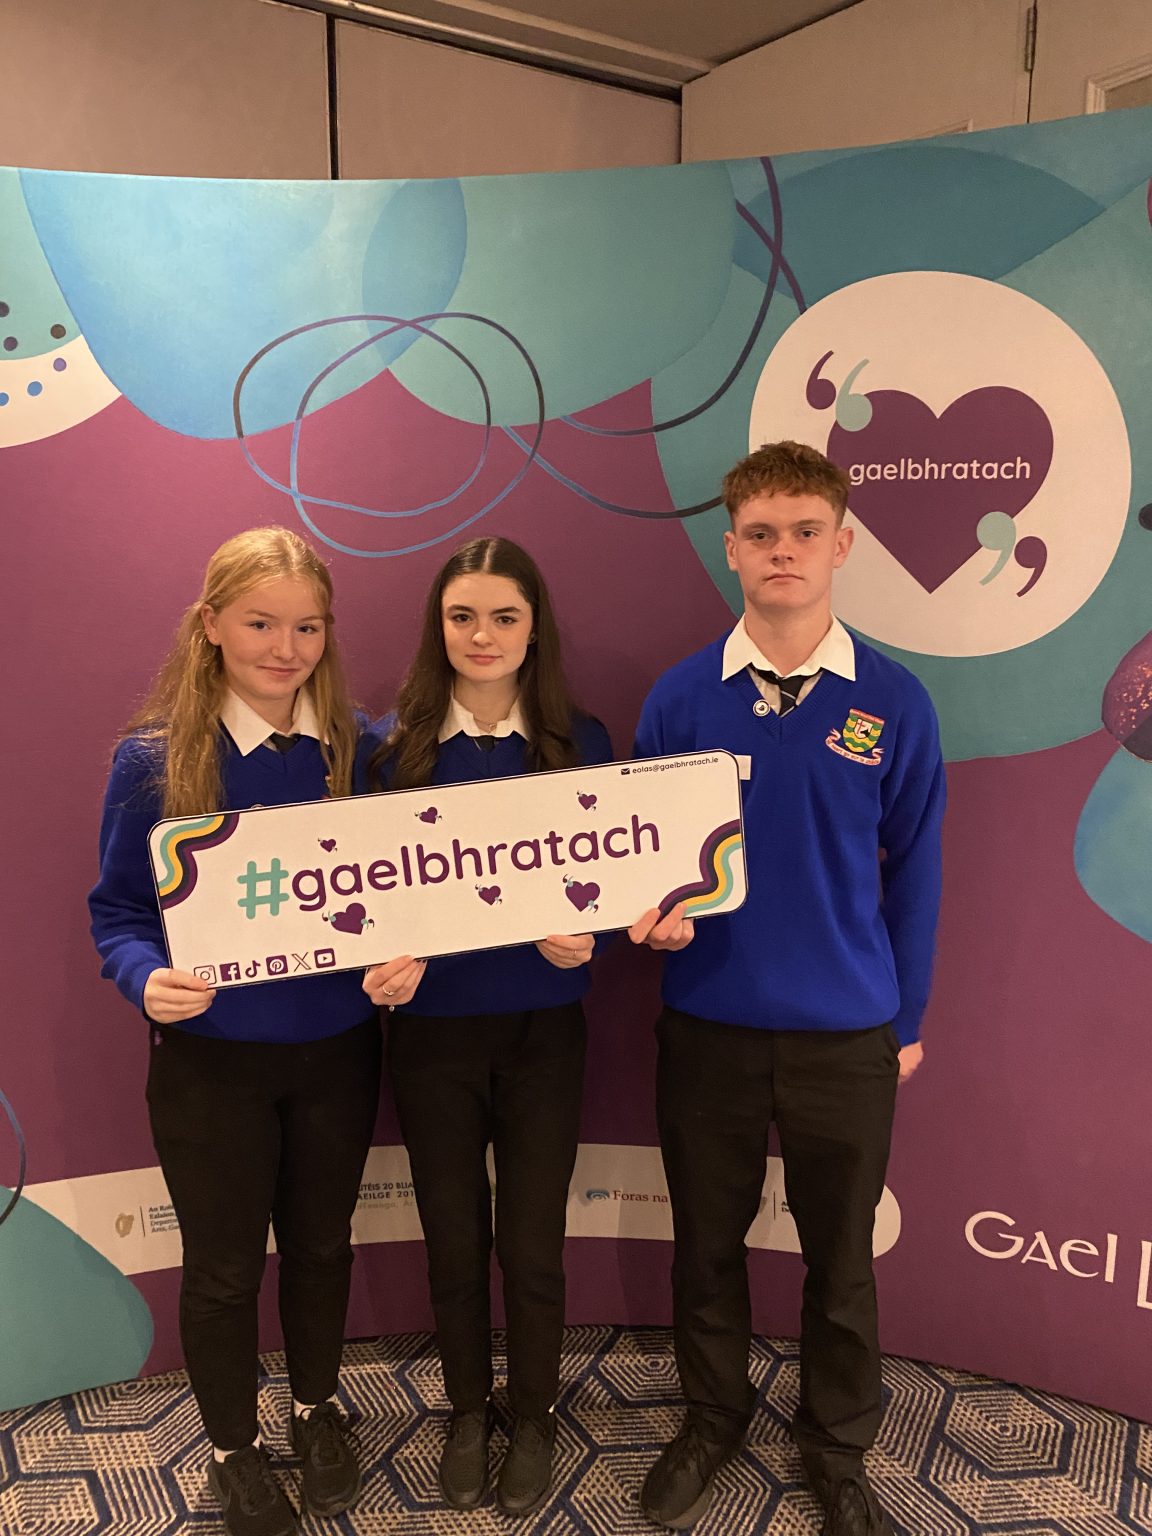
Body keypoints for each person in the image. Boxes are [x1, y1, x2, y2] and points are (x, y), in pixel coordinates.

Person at [629, 441, 945, 1535]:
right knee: (705, 1249)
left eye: (806, 531)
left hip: (847, 1036)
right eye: (760, 534)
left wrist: (906, 1019)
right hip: (707, 1027)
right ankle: (712, 1419)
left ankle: (836, 1447)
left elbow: (918, 870)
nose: (783, 551)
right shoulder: (679, 700)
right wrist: (648, 919)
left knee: (840, 1261)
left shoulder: (893, 702)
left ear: (842, 543)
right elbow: (640, 861)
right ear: (731, 549)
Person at [88, 528, 423, 1536]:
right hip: (211, 1063)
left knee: (321, 1245)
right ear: (211, 626)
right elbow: (118, 911)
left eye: (307, 627)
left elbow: (405, 885)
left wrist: (406, 954)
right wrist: (142, 978)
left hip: (337, 1050)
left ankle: (318, 1407)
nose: (286, 648)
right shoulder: (155, 759)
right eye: (261, 624)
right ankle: (233, 1448)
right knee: (225, 1267)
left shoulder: (359, 751)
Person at [358, 535, 613, 1517]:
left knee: (533, 1244)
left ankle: (535, 1412)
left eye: (504, 616)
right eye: (462, 616)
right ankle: (469, 1409)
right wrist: (384, 955)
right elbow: (359, 895)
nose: (482, 635)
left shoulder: (580, 741)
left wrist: (590, 937)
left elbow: (621, 876)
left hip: (545, 1034)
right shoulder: (391, 751)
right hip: (433, 1038)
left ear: (534, 628)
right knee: (454, 1239)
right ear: (439, 626)